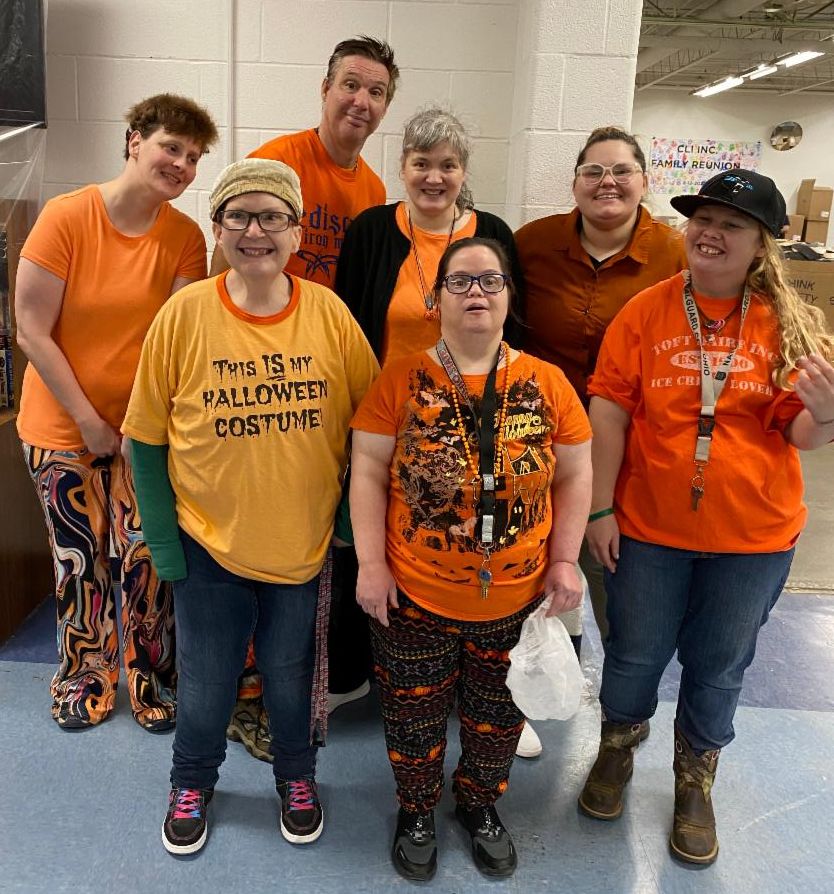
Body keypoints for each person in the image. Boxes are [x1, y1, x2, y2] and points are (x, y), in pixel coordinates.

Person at [122, 159, 379, 855]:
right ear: (218, 228)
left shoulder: (328, 315)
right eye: (238, 215)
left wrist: (349, 526)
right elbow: (145, 439)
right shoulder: (184, 315)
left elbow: (372, 426)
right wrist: (164, 543)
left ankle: (296, 777)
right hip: (206, 546)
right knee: (206, 679)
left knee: (290, 678)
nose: (255, 230)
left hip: (301, 546)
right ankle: (192, 782)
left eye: (271, 216)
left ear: (296, 231)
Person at [578, 170, 834, 866]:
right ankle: (618, 747)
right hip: (649, 530)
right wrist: (599, 507)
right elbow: (608, 413)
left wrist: (827, 415)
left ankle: (695, 777)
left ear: (761, 245)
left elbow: (800, 431)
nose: (710, 234)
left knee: (720, 665)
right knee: (633, 653)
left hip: (753, 538)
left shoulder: (786, 326)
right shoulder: (645, 312)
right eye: (703, 220)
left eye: (732, 225)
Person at [350, 237, 592, 880]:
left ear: (509, 295)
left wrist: (565, 560)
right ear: (436, 300)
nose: (475, 293)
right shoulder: (400, 379)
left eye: (490, 280)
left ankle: (479, 805)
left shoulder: (548, 382)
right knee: (413, 717)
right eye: (459, 281)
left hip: (518, 599)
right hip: (415, 594)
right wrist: (370, 565)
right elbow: (367, 470)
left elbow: (575, 474)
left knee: (497, 721)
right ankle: (416, 810)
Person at [334, 105, 542, 757]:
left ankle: (496, 691)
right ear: (402, 167)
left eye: (448, 165)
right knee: (383, 549)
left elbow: (514, 325)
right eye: (421, 163)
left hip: (479, 429)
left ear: (464, 171)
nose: (434, 177)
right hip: (388, 425)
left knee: (480, 550)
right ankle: (377, 676)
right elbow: (347, 326)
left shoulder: (493, 233)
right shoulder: (372, 231)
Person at [213, 36, 399, 760]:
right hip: (256, 384)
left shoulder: (374, 191)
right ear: (324, 89)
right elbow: (225, 265)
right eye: (350, 84)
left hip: (319, 386)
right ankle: (245, 699)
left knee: (308, 561)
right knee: (252, 548)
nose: (361, 101)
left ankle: (294, 690)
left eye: (376, 91)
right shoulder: (280, 161)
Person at [14, 94, 218, 732]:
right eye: (171, 147)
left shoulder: (185, 239)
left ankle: (151, 677)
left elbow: (175, 344)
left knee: (146, 559)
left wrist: (136, 427)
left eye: (193, 157)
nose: (182, 164)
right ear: (134, 140)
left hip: (141, 431)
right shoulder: (66, 217)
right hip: (60, 425)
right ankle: (85, 677)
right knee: (79, 560)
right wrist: (88, 421)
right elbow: (31, 329)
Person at [515, 126, 686, 654]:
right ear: (575, 184)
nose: (607, 181)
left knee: (620, 590)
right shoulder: (531, 245)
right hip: (536, 443)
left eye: (621, 171)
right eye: (593, 171)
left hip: (631, 455)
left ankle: (623, 687)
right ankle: (531, 677)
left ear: (644, 181)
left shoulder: (675, 255)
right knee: (530, 575)